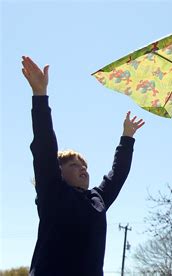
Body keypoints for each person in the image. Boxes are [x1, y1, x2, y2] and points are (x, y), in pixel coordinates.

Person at [21, 56, 145, 276]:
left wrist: (127, 138)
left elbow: (118, 175)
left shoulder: (98, 199)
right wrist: (40, 95)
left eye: (84, 165)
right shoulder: (52, 193)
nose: (83, 168)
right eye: (74, 164)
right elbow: (44, 147)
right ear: (58, 171)